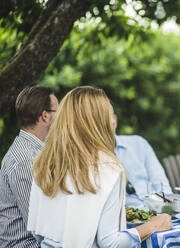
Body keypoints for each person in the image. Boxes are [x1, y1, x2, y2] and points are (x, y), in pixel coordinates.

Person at [27, 86, 172, 247]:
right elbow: (111, 243)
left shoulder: (45, 164)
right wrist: (153, 225)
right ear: (100, 122)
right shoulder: (108, 168)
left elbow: (39, 233)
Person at [0, 86, 58, 248]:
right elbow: (40, 227)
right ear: (45, 116)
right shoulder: (24, 160)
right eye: (58, 112)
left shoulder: (35, 151)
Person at [112, 115, 172, 209]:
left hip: (157, 208)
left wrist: (168, 207)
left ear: (114, 120)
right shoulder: (90, 156)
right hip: (128, 217)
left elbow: (160, 180)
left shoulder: (139, 143)